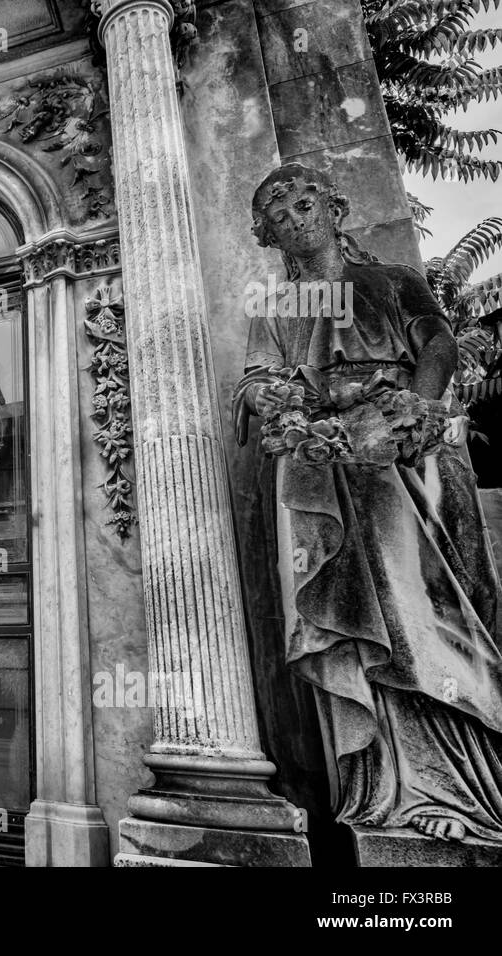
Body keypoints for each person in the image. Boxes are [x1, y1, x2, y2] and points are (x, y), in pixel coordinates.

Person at [234, 163, 502, 843]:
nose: (296, 217)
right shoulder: (275, 306)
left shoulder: (390, 282)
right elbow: (257, 379)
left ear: (336, 208)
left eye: (305, 202)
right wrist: (267, 395)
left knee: (424, 606)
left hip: (400, 452)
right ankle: (384, 785)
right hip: (325, 460)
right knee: (352, 616)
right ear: (267, 232)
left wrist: (418, 406)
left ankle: (456, 784)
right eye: (279, 212)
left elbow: (436, 343)